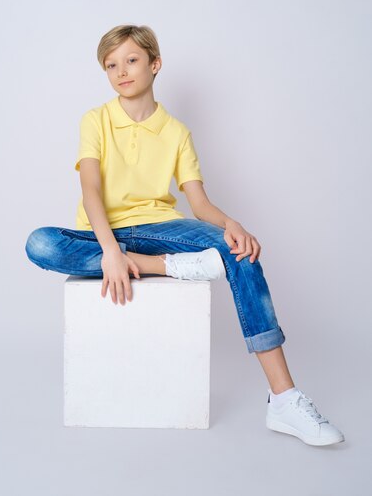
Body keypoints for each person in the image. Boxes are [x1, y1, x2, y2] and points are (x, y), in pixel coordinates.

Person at [25, 24, 345, 447]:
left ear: (155, 64)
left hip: (161, 227)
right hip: (102, 232)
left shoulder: (177, 133)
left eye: (132, 60)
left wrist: (230, 223)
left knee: (238, 251)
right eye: (111, 65)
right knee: (40, 243)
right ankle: (157, 267)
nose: (121, 71)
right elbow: (91, 191)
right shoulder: (95, 120)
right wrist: (111, 252)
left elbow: (199, 204)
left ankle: (284, 399)